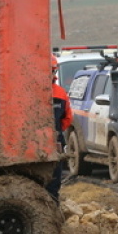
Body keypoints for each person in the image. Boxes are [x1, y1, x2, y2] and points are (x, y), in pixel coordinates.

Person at [48, 55, 73, 203]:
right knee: (53, 182)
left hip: (33, 143)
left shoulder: (27, 91)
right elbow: (67, 119)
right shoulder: (60, 93)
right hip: (55, 141)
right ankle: (52, 211)